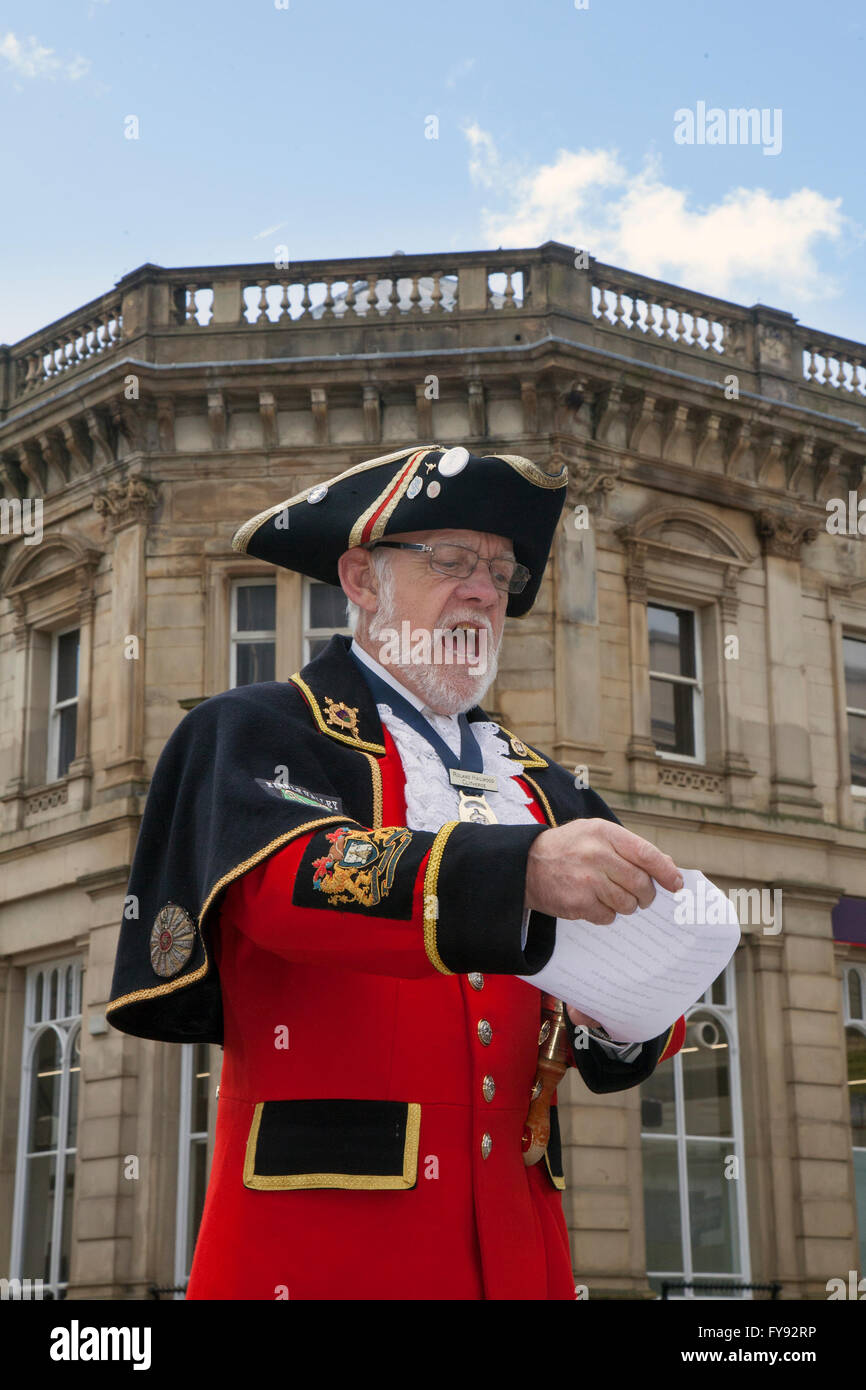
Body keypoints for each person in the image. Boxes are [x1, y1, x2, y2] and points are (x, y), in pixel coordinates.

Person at [107, 443, 685, 1300]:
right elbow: (291, 887)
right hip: (325, 1244)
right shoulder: (258, 728)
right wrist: (520, 868)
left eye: (501, 570)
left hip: (522, 1252)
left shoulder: (548, 787)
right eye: (452, 561)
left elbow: (613, 1024)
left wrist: (636, 999)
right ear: (363, 580)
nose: (486, 591)